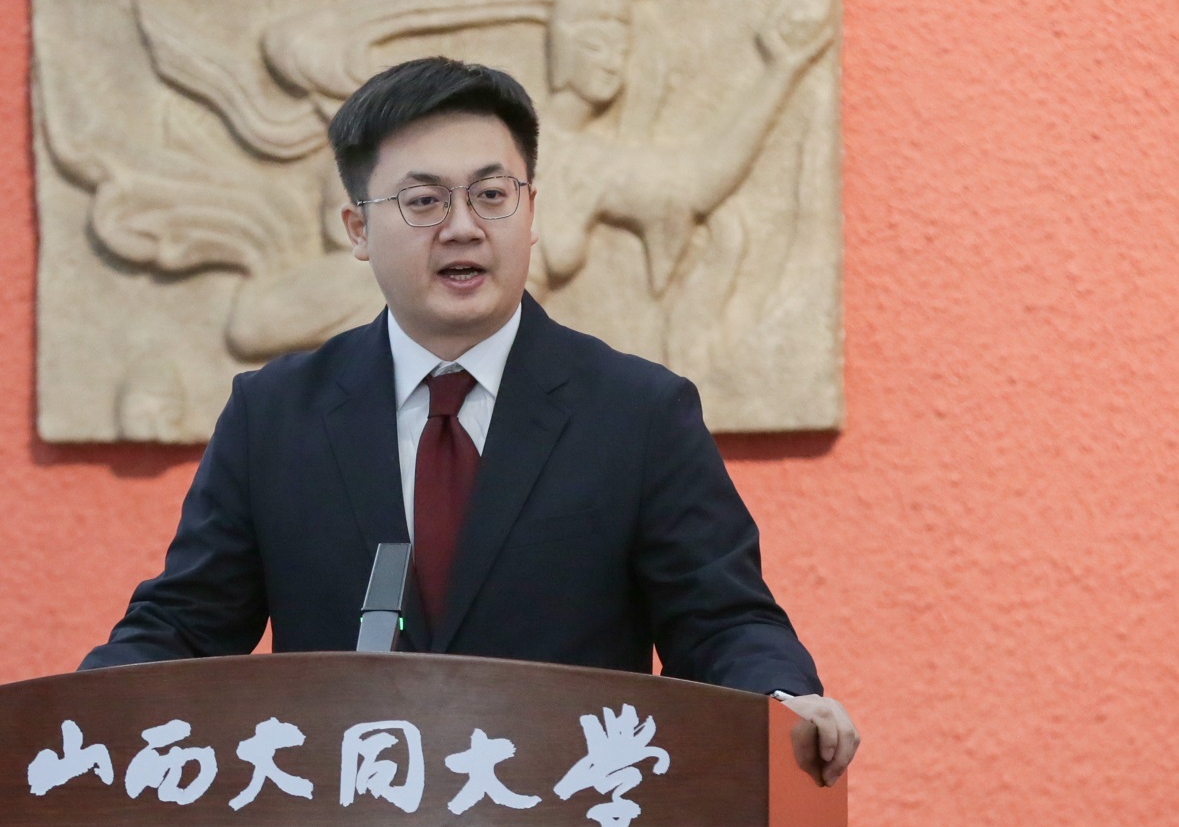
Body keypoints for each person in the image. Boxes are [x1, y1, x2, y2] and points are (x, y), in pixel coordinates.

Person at [80, 57, 859, 786]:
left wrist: (781, 696)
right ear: (358, 229)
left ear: (531, 212)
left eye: (491, 195)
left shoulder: (637, 412)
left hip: (570, 815)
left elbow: (720, 621)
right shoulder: (276, 415)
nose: (462, 227)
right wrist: (74, 717)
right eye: (424, 201)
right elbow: (186, 624)